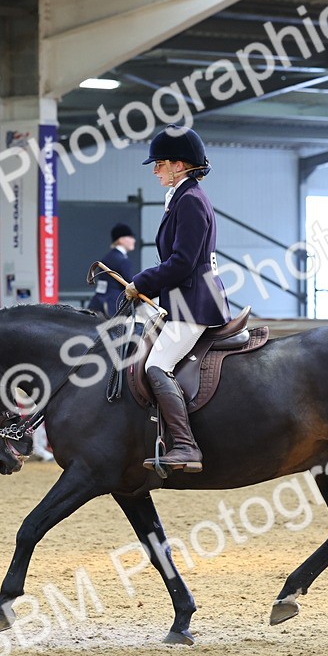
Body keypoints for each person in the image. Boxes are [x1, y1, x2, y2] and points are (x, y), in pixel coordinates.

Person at [124, 125, 231, 473]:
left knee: (157, 365)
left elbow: (183, 262)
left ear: (179, 165)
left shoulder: (190, 201)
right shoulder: (183, 198)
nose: (155, 170)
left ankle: (186, 446)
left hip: (194, 302)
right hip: (183, 297)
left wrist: (141, 281)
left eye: (159, 164)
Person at [86, 223, 137, 317]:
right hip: (112, 307)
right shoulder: (123, 261)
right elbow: (131, 285)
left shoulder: (108, 257)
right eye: (130, 237)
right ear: (121, 239)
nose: (134, 240)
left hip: (96, 304)